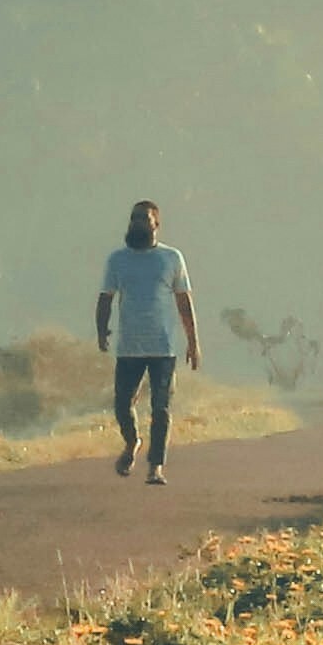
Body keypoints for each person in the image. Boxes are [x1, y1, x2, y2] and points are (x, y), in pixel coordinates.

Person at [94, 200, 197, 483]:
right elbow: (105, 298)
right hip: (129, 347)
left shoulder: (171, 258)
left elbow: (184, 301)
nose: (137, 223)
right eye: (134, 218)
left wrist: (193, 342)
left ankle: (156, 467)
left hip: (163, 348)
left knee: (161, 409)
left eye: (143, 219)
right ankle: (132, 442)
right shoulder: (118, 260)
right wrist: (101, 331)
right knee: (122, 405)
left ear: (156, 224)